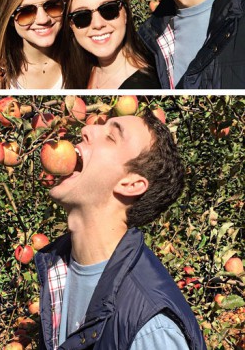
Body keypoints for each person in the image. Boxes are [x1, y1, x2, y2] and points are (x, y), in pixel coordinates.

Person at [34, 112, 205, 349]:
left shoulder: (151, 329)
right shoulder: (57, 271)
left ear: (131, 184)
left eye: (111, 137)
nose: (86, 129)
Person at [60, 0, 161, 89]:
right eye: (82, 17)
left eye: (109, 9)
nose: (98, 24)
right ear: (71, 25)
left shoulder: (146, 87)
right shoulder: (76, 73)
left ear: (125, 14)